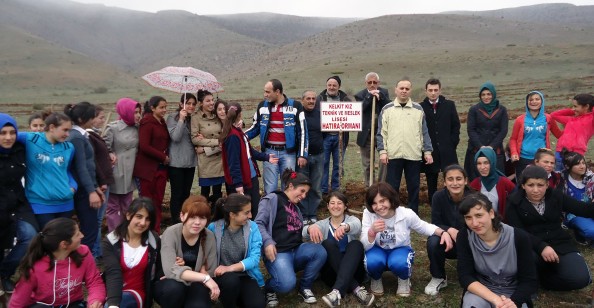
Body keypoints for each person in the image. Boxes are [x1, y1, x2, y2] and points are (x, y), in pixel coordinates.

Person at [506, 165, 594, 291]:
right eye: (531, 185)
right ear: (523, 185)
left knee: (580, 279)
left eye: (540, 185)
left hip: (559, 243)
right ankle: (532, 279)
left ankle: (544, 280)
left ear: (547, 185)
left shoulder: (556, 196)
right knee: (527, 257)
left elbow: (583, 209)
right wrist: (542, 246)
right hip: (531, 246)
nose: (536, 190)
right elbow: (517, 231)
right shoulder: (514, 202)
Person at [361, 182, 453, 297]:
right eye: (374, 203)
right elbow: (364, 245)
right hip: (377, 249)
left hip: (400, 248)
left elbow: (423, 226)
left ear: (390, 198)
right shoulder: (368, 214)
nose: (379, 207)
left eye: (382, 201)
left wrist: (443, 232)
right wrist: (371, 232)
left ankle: (404, 279)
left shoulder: (405, 214)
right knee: (372, 262)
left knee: (399, 262)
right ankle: (376, 278)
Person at [255, 169, 327, 307]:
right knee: (286, 284)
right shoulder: (272, 199)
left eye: (306, 193)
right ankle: (269, 288)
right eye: (302, 191)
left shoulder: (296, 208)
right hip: (279, 252)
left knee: (320, 251)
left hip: (296, 250)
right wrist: (267, 242)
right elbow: (258, 223)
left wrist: (311, 227)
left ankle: (305, 286)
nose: (304, 196)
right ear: (291, 186)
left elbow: (296, 230)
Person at [457, 193, 537, 308]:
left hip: (514, 294)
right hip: (482, 292)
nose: (474, 223)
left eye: (479, 215)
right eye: (468, 218)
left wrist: (513, 302)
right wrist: (495, 299)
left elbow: (529, 280)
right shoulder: (464, 236)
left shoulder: (518, 237)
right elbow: (465, 276)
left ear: (491, 213)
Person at [10, 218, 105, 308]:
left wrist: (95, 300)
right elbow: (17, 302)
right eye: (77, 234)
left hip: (74, 304)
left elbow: (94, 281)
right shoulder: (35, 266)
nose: (82, 235)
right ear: (64, 244)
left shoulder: (83, 252)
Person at [303, 191, 375, 307]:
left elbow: (357, 226)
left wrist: (345, 227)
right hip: (332, 274)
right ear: (327, 206)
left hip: (354, 271)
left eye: (339, 203)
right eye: (332, 203)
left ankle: (336, 292)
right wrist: (310, 228)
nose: (335, 206)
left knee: (356, 244)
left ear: (345, 206)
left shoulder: (352, 220)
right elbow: (304, 233)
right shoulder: (322, 224)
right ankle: (356, 289)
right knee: (327, 243)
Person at [377, 78, 433, 214]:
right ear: (396, 90)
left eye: (407, 89)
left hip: (413, 154)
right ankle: (393, 212)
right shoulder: (387, 109)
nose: (404, 91)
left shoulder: (418, 109)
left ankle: (413, 214)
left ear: (410, 91)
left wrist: (427, 151)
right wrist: (382, 151)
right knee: (392, 187)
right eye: (401, 88)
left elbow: (424, 132)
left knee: (413, 186)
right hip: (393, 154)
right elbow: (381, 133)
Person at [154, 195, 219, 308]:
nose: (197, 222)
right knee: (174, 289)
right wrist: (203, 276)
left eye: (202, 218)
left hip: (197, 284)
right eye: (193, 217)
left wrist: (181, 272)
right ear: (182, 216)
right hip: (171, 284)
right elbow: (170, 271)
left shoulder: (209, 236)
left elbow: (211, 270)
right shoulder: (171, 233)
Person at [245, 79, 308, 194]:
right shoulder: (262, 106)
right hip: (269, 152)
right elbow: (255, 127)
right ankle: (271, 211)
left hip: (288, 153)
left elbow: (303, 131)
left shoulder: (295, 106)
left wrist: (303, 154)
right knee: (270, 188)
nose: (265, 95)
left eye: (268, 92)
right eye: (265, 92)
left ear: (277, 91)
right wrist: (240, 137)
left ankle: (286, 211)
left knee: (288, 186)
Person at [0, 113, 39, 294]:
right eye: (2, 133)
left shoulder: (20, 149)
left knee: (31, 236)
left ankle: (5, 272)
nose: (8, 138)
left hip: (18, 203)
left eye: (12, 132)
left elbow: (36, 136)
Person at [17, 113, 77, 227]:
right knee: (46, 240)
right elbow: (7, 136)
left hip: (66, 204)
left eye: (69, 130)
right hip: (40, 204)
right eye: (65, 130)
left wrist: (73, 187)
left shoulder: (69, 147)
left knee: (63, 241)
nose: (67, 134)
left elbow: (67, 170)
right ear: (52, 127)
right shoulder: (30, 139)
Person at [207, 193, 266, 308]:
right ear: (232, 214)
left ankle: (239, 297)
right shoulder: (213, 228)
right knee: (231, 281)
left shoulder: (252, 227)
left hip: (245, 275)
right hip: (223, 277)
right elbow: (205, 255)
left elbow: (254, 259)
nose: (250, 215)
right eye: (246, 212)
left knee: (257, 305)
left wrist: (229, 268)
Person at [220, 102, 277, 215]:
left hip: (250, 177)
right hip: (243, 181)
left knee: (253, 208)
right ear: (240, 115)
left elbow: (249, 152)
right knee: (246, 212)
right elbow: (234, 163)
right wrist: (238, 185)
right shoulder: (233, 136)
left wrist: (266, 157)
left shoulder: (237, 132)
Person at [102, 197, 160, 308]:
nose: (143, 223)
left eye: (147, 219)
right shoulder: (110, 242)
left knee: (122, 302)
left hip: (137, 293)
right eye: (139, 217)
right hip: (113, 291)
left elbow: (160, 267)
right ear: (128, 215)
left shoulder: (154, 241)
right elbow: (113, 273)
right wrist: (113, 304)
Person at [425, 164, 473, 296]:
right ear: (445, 182)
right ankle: (438, 277)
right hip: (448, 243)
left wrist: (462, 234)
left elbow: (479, 225)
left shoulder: (474, 198)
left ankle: (477, 274)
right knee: (433, 241)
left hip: (470, 243)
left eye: (459, 179)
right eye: (450, 179)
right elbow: (435, 223)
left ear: (465, 180)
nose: (455, 183)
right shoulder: (438, 197)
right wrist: (449, 230)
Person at [65, 102, 105, 252]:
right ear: (82, 119)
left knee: (90, 227)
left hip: (86, 187)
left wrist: (95, 187)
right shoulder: (77, 137)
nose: (94, 118)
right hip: (82, 190)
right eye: (92, 116)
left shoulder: (80, 135)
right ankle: (82, 262)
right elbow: (81, 167)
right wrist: (91, 191)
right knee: (89, 229)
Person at [419, 78, 461, 205]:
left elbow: (456, 126)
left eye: (435, 90)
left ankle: (452, 203)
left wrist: (452, 142)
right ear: (426, 91)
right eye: (430, 90)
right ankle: (434, 205)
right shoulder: (420, 107)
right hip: (430, 152)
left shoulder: (449, 105)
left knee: (450, 177)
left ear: (440, 90)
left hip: (447, 150)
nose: (433, 93)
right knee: (431, 179)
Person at [133, 96, 170, 233]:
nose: (164, 110)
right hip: (147, 169)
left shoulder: (161, 122)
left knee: (158, 200)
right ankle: (144, 230)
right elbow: (144, 146)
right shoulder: (147, 123)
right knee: (146, 202)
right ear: (153, 108)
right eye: (161, 107)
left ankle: (155, 229)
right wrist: (163, 157)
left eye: (165, 107)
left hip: (161, 168)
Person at [104, 98, 142, 231]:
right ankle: (114, 237)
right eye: (135, 112)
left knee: (128, 205)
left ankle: (128, 233)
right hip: (116, 171)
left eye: (139, 112)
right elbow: (103, 148)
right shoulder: (113, 128)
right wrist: (109, 153)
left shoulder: (138, 128)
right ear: (125, 112)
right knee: (113, 206)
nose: (138, 115)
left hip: (131, 171)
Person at [509, 91, 561, 180]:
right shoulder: (520, 120)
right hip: (523, 158)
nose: (534, 101)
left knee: (541, 183)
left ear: (542, 101)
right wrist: (514, 153)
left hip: (542, 159)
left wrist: (572, 126)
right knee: (523, 185)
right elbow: (513, 139)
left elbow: (559, 135)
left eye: (537, 99)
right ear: (527, 102)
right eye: (531, 99)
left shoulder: (548, 118)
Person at [464, 81, 509, 181]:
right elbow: (471, 130)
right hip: (476, 149)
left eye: (489, 94)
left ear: (493, 94)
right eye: (483, 94)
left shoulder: (501, 110)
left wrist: (491, 146)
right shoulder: (474, 109)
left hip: (495, 149)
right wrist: (481, 146)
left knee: (497, 179)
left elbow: (503, 130)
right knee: (475, 180)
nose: (486, 97)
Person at [86, 105, 115, 258]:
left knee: (97, 219)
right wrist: (101, 182)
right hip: (99, 183)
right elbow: (93, 162)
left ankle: (95, 251)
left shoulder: (95, 135)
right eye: (100, 117)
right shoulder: (88, 137)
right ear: (91, 119)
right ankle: (94, 253)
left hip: (103, 181)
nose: (103, 120)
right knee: (96, 220)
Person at [354, 72, 390, 186]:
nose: (372, 85)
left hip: (381, 133)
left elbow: (388, 106)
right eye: (370, 82)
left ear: (378, 83)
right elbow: (360, 109)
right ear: (366, 83)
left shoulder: (384, 92)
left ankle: (381, 185)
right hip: (366, 134)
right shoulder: (360, 95)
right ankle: (370, 186)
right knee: (367, 163)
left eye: (375, 82)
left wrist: (380, 97)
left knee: (384, 161)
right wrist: (370, 96)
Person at [167, 93, 198, 223]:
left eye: (193, 104)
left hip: (190, 162)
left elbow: (194, 138)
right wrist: (181, 119)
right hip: (176, 163)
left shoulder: (193, 119)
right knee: (177, 194)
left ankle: (184, 218)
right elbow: (176, 137)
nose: (191, 106)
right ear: (181, 104)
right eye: (188, 103)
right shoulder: (172, 117)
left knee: (186, 193)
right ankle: (175, 221)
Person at [317, 76, 351, 195]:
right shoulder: (319, 98)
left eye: (334, 85)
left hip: (340, 137)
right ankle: (324, 189)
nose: (331, 87)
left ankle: (336, 188)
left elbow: (351, 116)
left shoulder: (345, 99)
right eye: (329, 85)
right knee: (324, 163)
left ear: (339, 87)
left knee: (338, 163)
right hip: (324, 137)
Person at [191, 90, 225, 205]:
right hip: (206, 161)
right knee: (204, 192)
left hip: (219, 158)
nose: (211, 103)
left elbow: (225, 133)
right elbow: (195, 139)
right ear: (201, 103)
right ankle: (203, 216)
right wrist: (216, 141)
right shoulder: (196, 118)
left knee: (217, 192)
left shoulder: (218, 115)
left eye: (212, 100)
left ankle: (216, 216)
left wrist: (204, 146)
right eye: (208, 101)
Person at [557, 150, 594, 244]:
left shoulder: (591, 177)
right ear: (567, 166)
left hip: (591, 210)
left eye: (583, 163)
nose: (582, 166)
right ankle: (579, 232)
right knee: (591, 231)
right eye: (577, 164)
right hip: (573, 214)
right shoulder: (560, 179)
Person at [299, 90, 324, 223]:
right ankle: (303, 215)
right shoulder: (299, 115)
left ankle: (312, 214)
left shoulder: (320, 114)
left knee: (316, 186)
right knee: (302, 186)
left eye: (313, 98)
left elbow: (324, 133)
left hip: (318, 155)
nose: (311, 101)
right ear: (302, 100)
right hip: (303, 157)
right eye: (308, 98)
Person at [550, 93, 594, 171]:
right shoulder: (571, 119)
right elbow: (554, 115)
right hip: (560, 152)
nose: (573, 108)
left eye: (575, 106)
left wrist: (591, 107)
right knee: (559, 176)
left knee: (574, 176)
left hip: (577, 153)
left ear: (586, 106)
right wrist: (572, 111)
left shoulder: (591, 120)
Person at [469, 147, 515, 218]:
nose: (482, 167)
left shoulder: (505, 183)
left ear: (493, 163)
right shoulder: (474, 184)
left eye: (486, 163)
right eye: (479, 163)